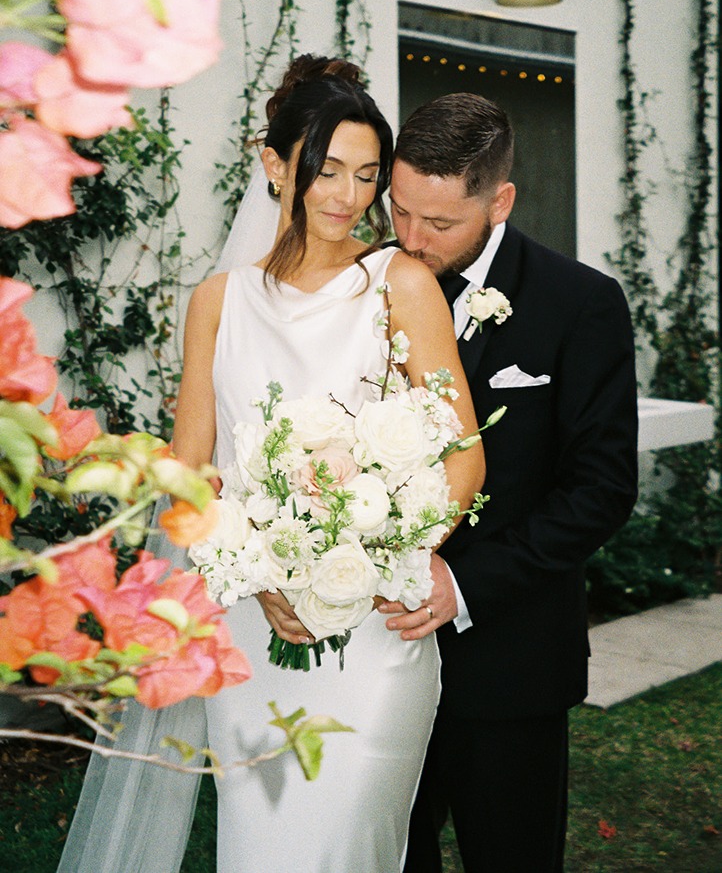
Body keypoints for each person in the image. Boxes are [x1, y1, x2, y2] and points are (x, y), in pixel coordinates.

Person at [58, 56, 484, 873]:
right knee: (263, 847)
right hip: (256, 631)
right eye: (325, 171)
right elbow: (189, 476)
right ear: (275, 164)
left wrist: (374, 559)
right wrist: (259, 577)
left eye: (366, 176)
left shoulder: (399, 282)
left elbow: (462, 454)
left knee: (350, 839)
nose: (346, 196)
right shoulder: (218, 301)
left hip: (375, 632)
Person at [377, 92, 638, 873]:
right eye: (400, 211)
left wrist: (463, 581)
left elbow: (601, 488)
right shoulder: (364, 287)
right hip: (379, 662)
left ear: (502, 200)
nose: (413, 241)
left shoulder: (580, 303)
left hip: (513, 665)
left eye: (441, 223)